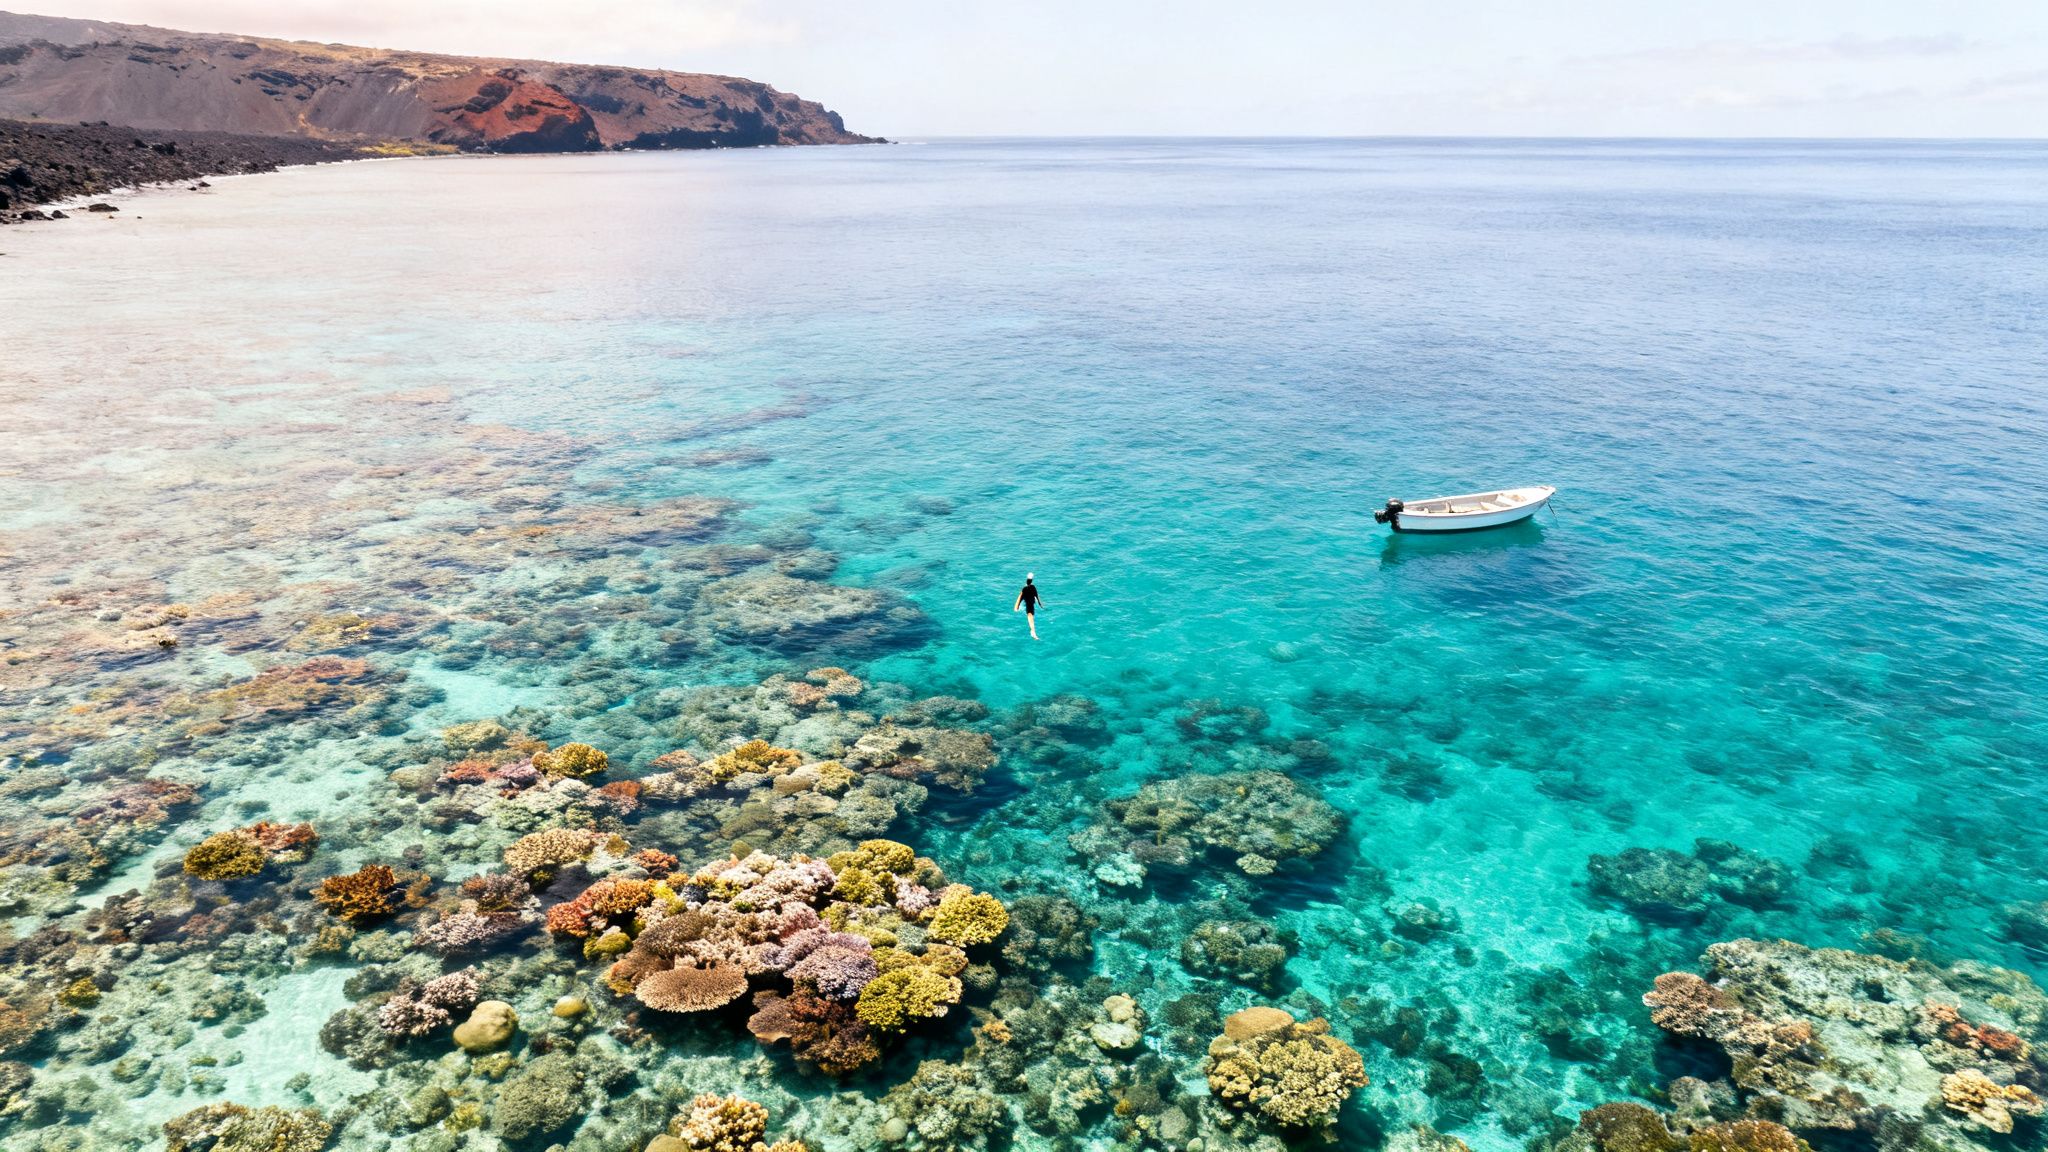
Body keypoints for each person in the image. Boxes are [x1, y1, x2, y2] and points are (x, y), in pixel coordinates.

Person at [1013, 573, 1043, 640]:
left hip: (1028, 605)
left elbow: (1020, 598)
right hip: (1031, 605)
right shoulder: (1033, 587)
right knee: (1031, 618)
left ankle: (1033, 631)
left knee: (1030, 618)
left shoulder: (1024, 589)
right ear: (1031, 581)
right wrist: (1041, 605)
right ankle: (1033, 632)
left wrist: (1016, 607)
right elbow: (1037, 597)